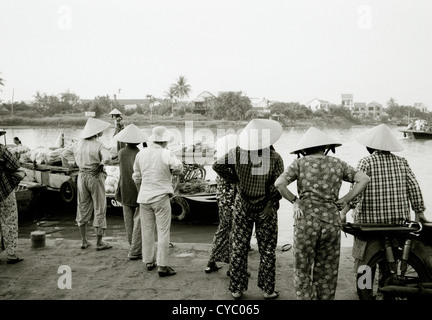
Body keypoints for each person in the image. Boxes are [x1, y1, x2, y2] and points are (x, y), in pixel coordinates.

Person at [275, 127, 370, 300]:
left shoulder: (299, 163)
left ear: (304, 149)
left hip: (306, 223)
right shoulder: (337, 163)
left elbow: (279, 183)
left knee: (302, 267)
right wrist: (346, 198)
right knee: (327, 269)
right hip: (331, 223)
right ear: (326, 147)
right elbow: (364, 179)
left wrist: (295, 201)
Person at [213, 119, 284, 300]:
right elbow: (278, 185)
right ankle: (268, 290)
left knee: (239, 247)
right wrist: (269, 204)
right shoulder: (275, 158)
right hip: (266, 210)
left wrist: (235, 179)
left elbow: (217, 166)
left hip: (241, 207)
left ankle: (236, 289)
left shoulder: (237, 153)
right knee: (267, 250)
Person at [342, 124, 428, 224]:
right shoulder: (402, 162)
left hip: (368, 221)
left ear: (369, 147)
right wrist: (419, 212)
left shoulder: (366, 162)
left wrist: (343, 212)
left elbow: (356, 191)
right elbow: (414, 188)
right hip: (399, 221)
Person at [132, 126, 183, 277]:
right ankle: (162, 266)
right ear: (165, 141)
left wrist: (143, 190)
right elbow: (179, 167)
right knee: (163, 232)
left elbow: (136, 177)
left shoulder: (141, 154)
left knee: (147, 231)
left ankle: (148, 261)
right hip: (161, 197)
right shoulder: (166, 153)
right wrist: (172, 171)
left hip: (144, 198)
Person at [62, 117, 113, 251]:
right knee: (99, 206)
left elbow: (64, 154)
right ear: (95, 133)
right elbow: (107, 158)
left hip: (82, 176)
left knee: (82, 206)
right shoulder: (99, 145)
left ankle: (84, 241)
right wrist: (101, 164)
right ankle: (99, 242)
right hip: (95, 176)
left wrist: (73, 163)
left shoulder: (78, 144)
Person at [113, 124, 147, 260]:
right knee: (138, 221)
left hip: (125, 188)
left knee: (128, 221)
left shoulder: (121, 153)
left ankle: (132, 245)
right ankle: (135, 249)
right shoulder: (140, 153)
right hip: (138, 189)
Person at [205, 134, 237, 274]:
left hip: (222, 200)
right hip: (231, 201)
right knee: (232, 232)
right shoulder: (232, 164)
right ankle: (232, 266)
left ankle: (211, 261)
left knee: (223, 229)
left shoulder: (221, 161)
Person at [0, 131, 24, 264]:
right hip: (4, 190)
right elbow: (15, 165)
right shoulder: (1, 149)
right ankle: (11, 255)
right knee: (9, 221)